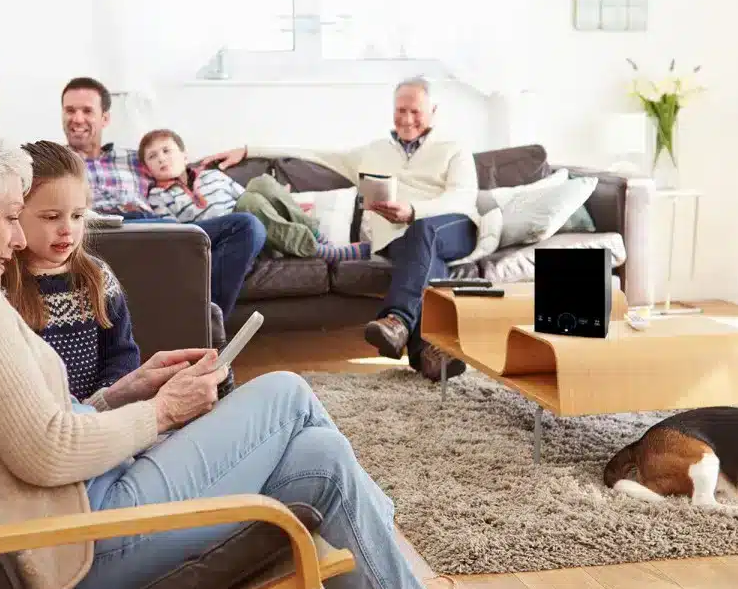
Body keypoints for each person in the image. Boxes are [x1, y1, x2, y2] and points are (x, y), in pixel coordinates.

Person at [0, 114, 523, 589]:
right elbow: (48, 451)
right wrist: (165, 411)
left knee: (316, 460)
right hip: (76, 543)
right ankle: (398, 582)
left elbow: (24, 430)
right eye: (7, 215)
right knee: (286, 394)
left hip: (65, 517)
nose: (11, 237)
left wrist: (128, 390)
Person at [203, 77, 479, 381]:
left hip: (454, 225)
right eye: (400, 110)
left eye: (415, 111)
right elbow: (315, 154)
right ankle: (427, 352)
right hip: (404, 239)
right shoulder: (373, 152)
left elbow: (462, 197)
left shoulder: (454, 149)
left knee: (424, 231)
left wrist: (414, 211)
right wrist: (249, 149)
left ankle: (397, 319)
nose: (407, 119)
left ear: (433, 110)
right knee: (423, 256)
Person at [60, 77, 264, 321]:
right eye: (70, 110)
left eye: (87, 111)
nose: (77, 118)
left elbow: (176, 162)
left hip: (160, 228)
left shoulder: (135, 158)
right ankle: (198, 331)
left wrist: (246, 152)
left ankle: (204, 325)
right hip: (106, 231)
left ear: (105, 118)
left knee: (247, 225)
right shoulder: (57, 162)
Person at [3, 140, 140, 401]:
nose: (67, 229)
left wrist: (104, 397)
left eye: (77, 216)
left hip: (101, 418)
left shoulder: (98, 276)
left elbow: (122, 353)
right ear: (15, 213)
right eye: (51, 217)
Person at [139, 128, 371, 263]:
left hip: (265, 232)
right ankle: (320, 251)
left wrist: (282, 201)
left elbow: (251, 196)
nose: (161, 158)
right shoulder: (158, 197)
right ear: (147, 168)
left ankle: (318, 238)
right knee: (251, 202)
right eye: (152, 156)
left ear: (184, 155)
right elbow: (173, 234)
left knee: (262, 183)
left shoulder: (214, 177)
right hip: (230, 242)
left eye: (167, 151)